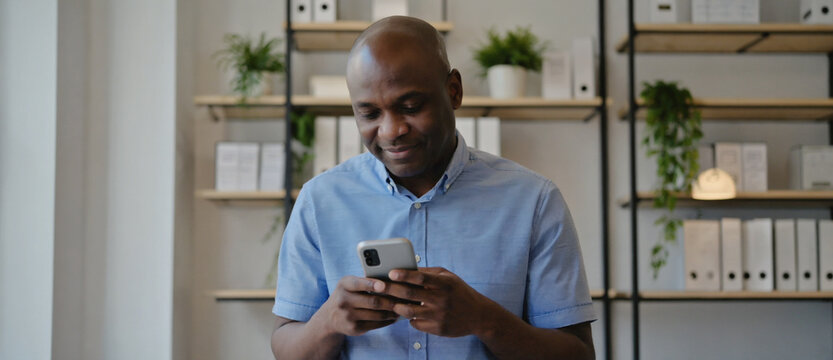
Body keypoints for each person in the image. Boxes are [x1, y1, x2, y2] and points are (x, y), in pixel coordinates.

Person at [271, 16, 596, 360]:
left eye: (410, 107)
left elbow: (577, 354)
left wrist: (484, 319)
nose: (390, 130)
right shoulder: (319, 200)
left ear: (453, 91)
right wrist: (328, 322)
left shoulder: (534, 201)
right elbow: (285, 346)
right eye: (369, 114)